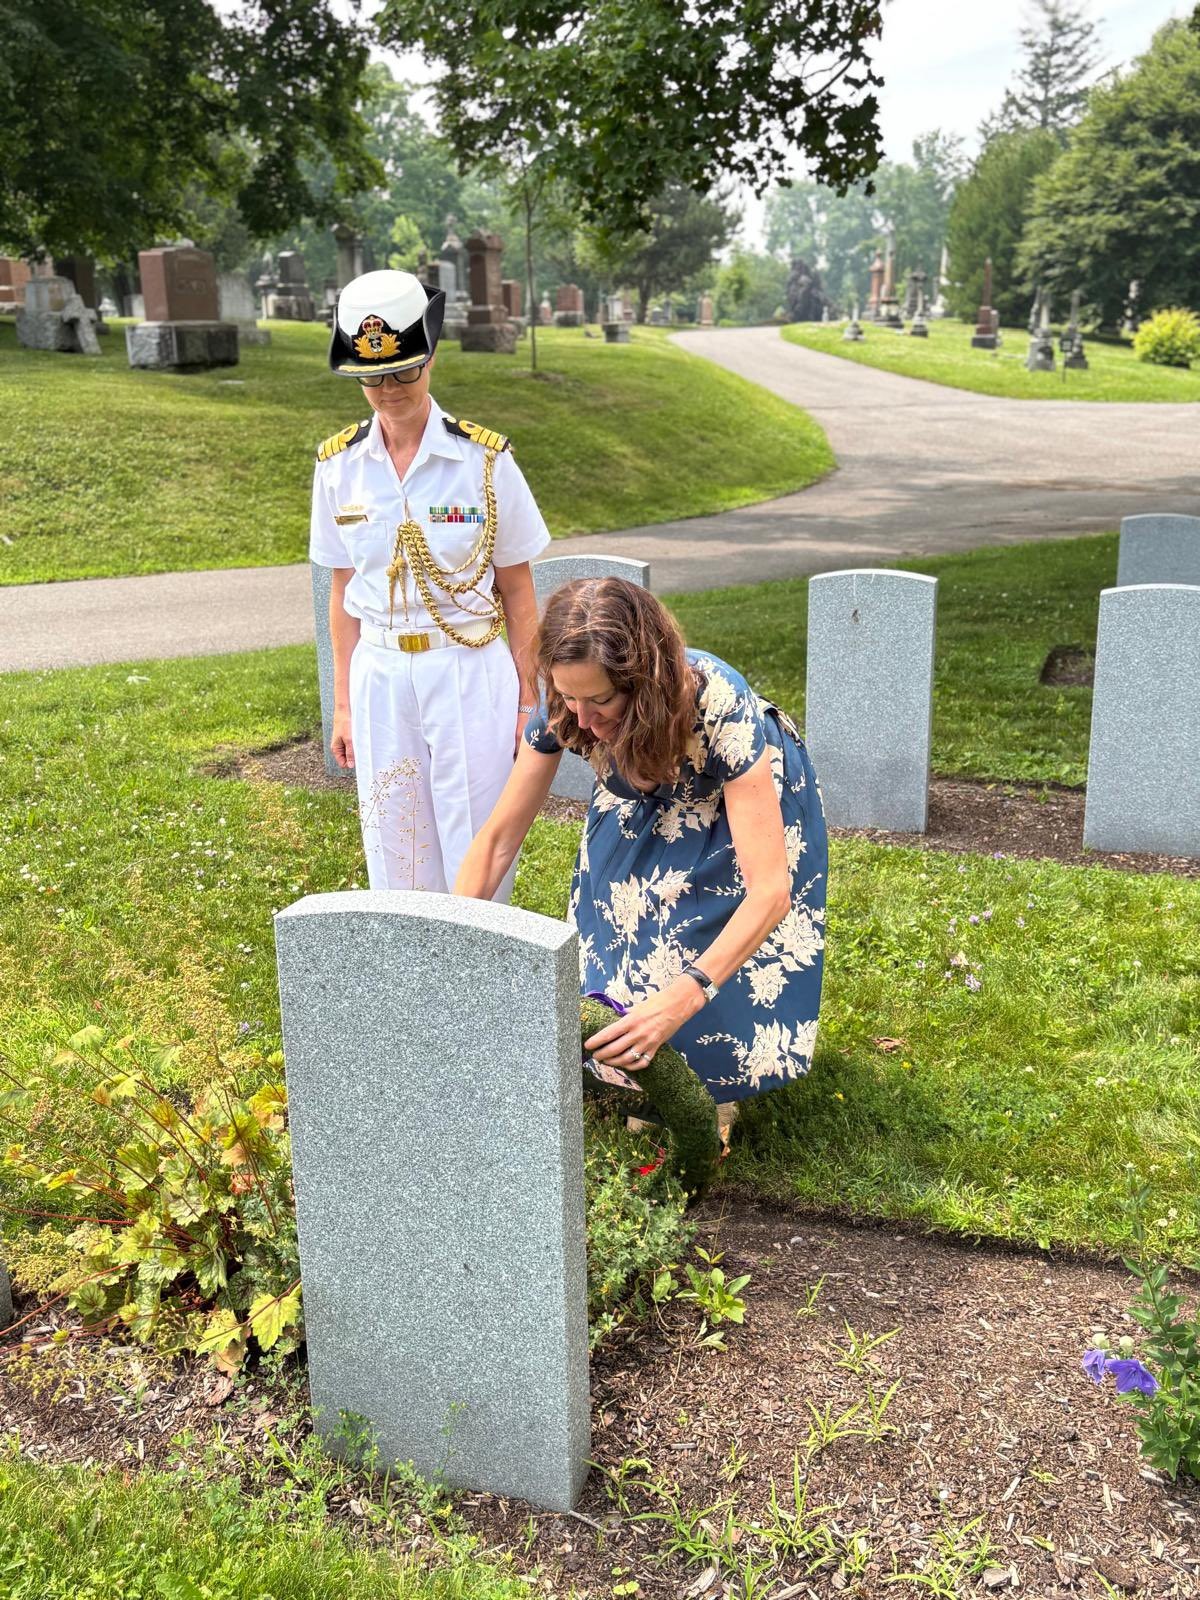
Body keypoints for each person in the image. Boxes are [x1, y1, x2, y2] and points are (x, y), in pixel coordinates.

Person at [454, 578, 828, 1131]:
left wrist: (684, 996)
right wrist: (444, 950)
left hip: (733, 795)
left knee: (700, 918)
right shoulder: (570, 702)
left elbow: (769, 891)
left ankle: (708, 1083)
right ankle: (633, 1054)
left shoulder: (719, 702)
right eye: (569, 697)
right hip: (640, 783)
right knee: (620, 909)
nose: (581, 721)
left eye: (600, 699)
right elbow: (498, 840)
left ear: (643, 683)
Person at [309, 269, 550, 893]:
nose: (389, 390)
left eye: (403, 370)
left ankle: (483, 973)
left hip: (468, 667)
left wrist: (530, 703)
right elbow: (342, 594)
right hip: (381, 673)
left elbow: (518, 590)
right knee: (394, 842)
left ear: (431, 356)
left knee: (478, 839)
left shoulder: (485, 460)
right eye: (372, 377)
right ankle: (412, 979)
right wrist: (341, 706)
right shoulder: (338, 468)